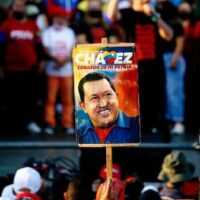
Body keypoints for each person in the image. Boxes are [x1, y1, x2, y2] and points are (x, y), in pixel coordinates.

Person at [107, 0, 174, 135]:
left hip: (154, 67)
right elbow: (112, 16)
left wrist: (154, 15)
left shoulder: (154, 15)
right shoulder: (127, 14)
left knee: (155, 102)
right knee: (133, 102)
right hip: (133, 67)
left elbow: (168, 35)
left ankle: (153, 132)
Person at [0, 0, 42, 135]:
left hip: (29, 69)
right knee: (12, 99)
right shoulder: (6, 26)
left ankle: (30, 123)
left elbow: (38, 45)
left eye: (21, 6)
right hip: (10, 69)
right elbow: (0, 47)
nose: (19, 8)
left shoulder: (33, 25)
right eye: (17, 6)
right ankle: (13, 126)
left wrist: (42, 62)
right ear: (12, 9)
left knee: (29, 98)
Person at [76, 71, 140, 144]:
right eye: (94, 98)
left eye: (107, 94)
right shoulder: (79, 134)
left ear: (117, 97)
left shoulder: (138, 127)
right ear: (83, 106)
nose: (103, 104)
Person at [41, 11, 76, 135]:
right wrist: (56, 60)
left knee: (67, 99)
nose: (60, 19)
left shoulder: (69, 32)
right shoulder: (47, 32)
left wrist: (63, 61)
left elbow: (73, 48)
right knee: (50, 99)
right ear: (53, 17)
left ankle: (68, 124)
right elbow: (45, 48)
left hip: (66, 71)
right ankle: (50, 123)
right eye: (57, 17)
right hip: (52, 70)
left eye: (62, 17)